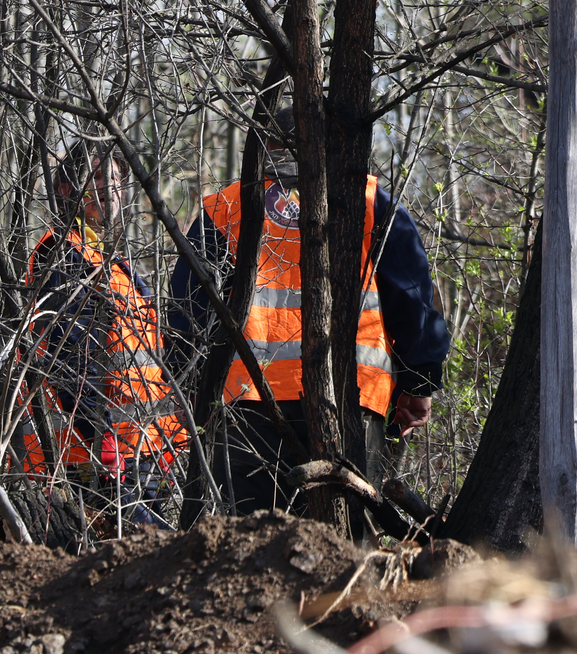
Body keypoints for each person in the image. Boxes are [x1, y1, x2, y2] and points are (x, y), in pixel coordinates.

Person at [169, 108, 450, 516]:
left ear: (264, 147)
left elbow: (187, 309)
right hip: (350, 398)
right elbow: (413, 299)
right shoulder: (369, 201)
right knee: (345, 535)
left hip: (247, 404)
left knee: (251, 539)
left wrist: (189, 384)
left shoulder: (226, 208)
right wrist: (419, 382)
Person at [10, 141, 187, 541]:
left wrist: (162, 439)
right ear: (65, 189)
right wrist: (101, 443)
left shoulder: (112, 265)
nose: (109, 187)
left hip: (137, 454)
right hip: (89, 461)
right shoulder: (64, 257)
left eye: (117, 178)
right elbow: (70, 363)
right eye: (96, 177)